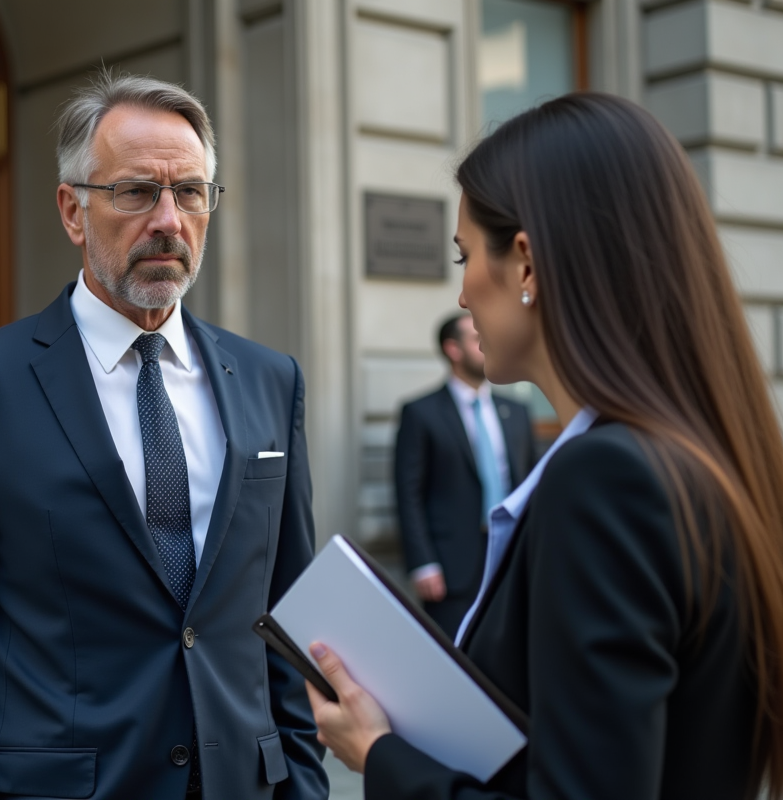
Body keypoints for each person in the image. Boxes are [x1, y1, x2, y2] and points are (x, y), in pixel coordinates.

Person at [305, 93, 783, 799]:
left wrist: (379, 755)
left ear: (526, 264)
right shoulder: (705, 458)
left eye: (465, 255)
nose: (463, 295)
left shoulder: (605, 478)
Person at [0, 70, 327, 800]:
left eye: (189, 192)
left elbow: (286, 617)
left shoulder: (271, 379)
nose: (168, 220)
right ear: (72, 211)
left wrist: (301, 782)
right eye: (136, 191)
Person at [394, 313, 534, 636]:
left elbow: (530, 482)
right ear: (452, 349)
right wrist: (422, 561)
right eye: (475, 338)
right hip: (451, 566)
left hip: (511, 556)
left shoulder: (516, 412)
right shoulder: (421, 413)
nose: (486, 344)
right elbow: (408, 492)